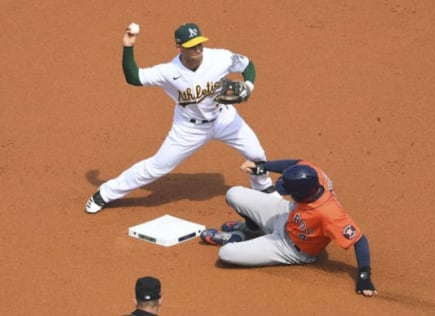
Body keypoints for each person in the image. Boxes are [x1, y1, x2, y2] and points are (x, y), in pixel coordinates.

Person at [85, 22, 275, 214]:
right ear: (179, 47)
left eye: (200, 43)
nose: (198, 49)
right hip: (189, 128)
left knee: (256, 154)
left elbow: (247, 64)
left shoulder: (220, 57)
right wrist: (128, 46)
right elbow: (134, 77)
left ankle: (262, 186)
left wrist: (249, 85)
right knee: (156, 167)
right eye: (192, 45)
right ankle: (105, 193)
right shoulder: (169, 71)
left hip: (225, 118)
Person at [200, 159, 378, 297]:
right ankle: (252, 230)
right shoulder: (313, 174)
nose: (286, 192)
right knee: (234, 194)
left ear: (302, 193)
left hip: (289, 248)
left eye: (289, 190)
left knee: (226, 253)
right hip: (285, 214)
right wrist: (262, 166)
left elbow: (360, 240)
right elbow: (295, 163)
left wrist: (364, 277)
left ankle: (236, 239)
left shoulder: (330, 215)